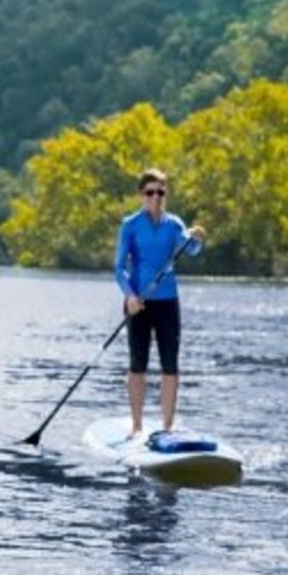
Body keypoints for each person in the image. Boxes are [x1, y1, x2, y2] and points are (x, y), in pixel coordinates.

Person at [114, 168, 205, 437]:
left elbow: (191, 249)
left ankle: (167, 426)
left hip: (167, 302)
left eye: (161, 192)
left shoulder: (175, 224)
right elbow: (119, 267)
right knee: (137, 364)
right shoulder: (130, 225)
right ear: (142, 194)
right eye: (150, 192)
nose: (156, 197)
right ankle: (137, 426)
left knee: (170, 365)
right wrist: (129, 295)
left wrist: (195, 238)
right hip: (138, 302)